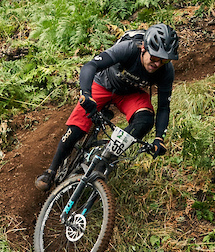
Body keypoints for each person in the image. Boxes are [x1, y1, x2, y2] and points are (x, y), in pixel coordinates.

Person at [35, 23, 179, 192]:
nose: (157, 64)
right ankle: (51, 170)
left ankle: (108, 156)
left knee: (145, 120)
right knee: (77, 127)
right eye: (154, 58)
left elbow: (164, 107)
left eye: (164, 60)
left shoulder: (166, 71)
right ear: (143, 48)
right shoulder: (129, 49)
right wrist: (86, 94)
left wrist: (159, 138)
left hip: (131, 93)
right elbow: (90, 66)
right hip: (104, 83)